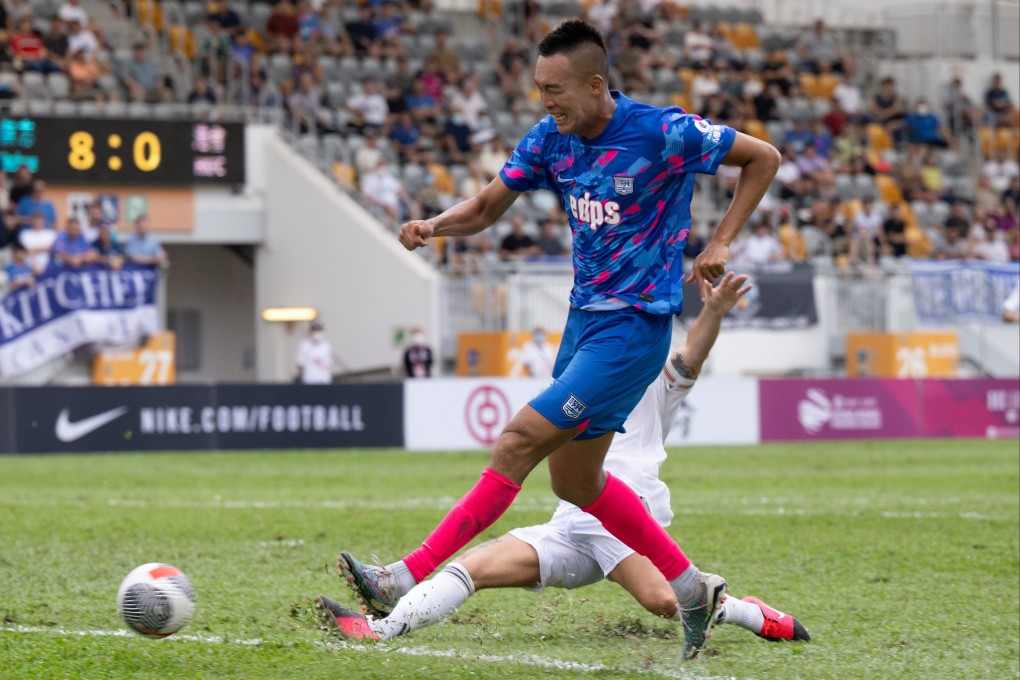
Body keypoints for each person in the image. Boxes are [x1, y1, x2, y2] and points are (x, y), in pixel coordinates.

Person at [338, 20, 780, 662]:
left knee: (518, 441)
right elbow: (489, 207)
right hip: (582, 326)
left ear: (595, 84)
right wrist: (433, 226)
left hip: (633, 329)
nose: (545, 101)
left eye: (555, 89)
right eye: (539, 88)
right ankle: (692, 590)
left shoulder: (663, 131)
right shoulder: (551, 139)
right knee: (575, 483)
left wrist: (720, 240)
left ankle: (402, 575)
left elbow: (762, 157)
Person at [322, 274, 810, 646]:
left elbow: (690, 357)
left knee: (665, 600)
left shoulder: (653, 379)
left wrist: (716, 311)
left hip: (626, 508)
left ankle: (752, 614)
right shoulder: (583, 374)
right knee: (475, 568)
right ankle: (378, 629)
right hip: (573, 520)